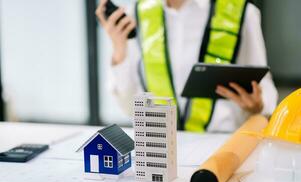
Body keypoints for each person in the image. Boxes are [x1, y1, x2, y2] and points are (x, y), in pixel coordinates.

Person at [96, 0, 278, 132]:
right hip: (161, 150)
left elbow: (264, 87)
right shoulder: (138, 14)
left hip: (223, 148)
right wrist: (119, 50)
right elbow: (129, 106)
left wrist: (258, 106)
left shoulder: (242, 12)